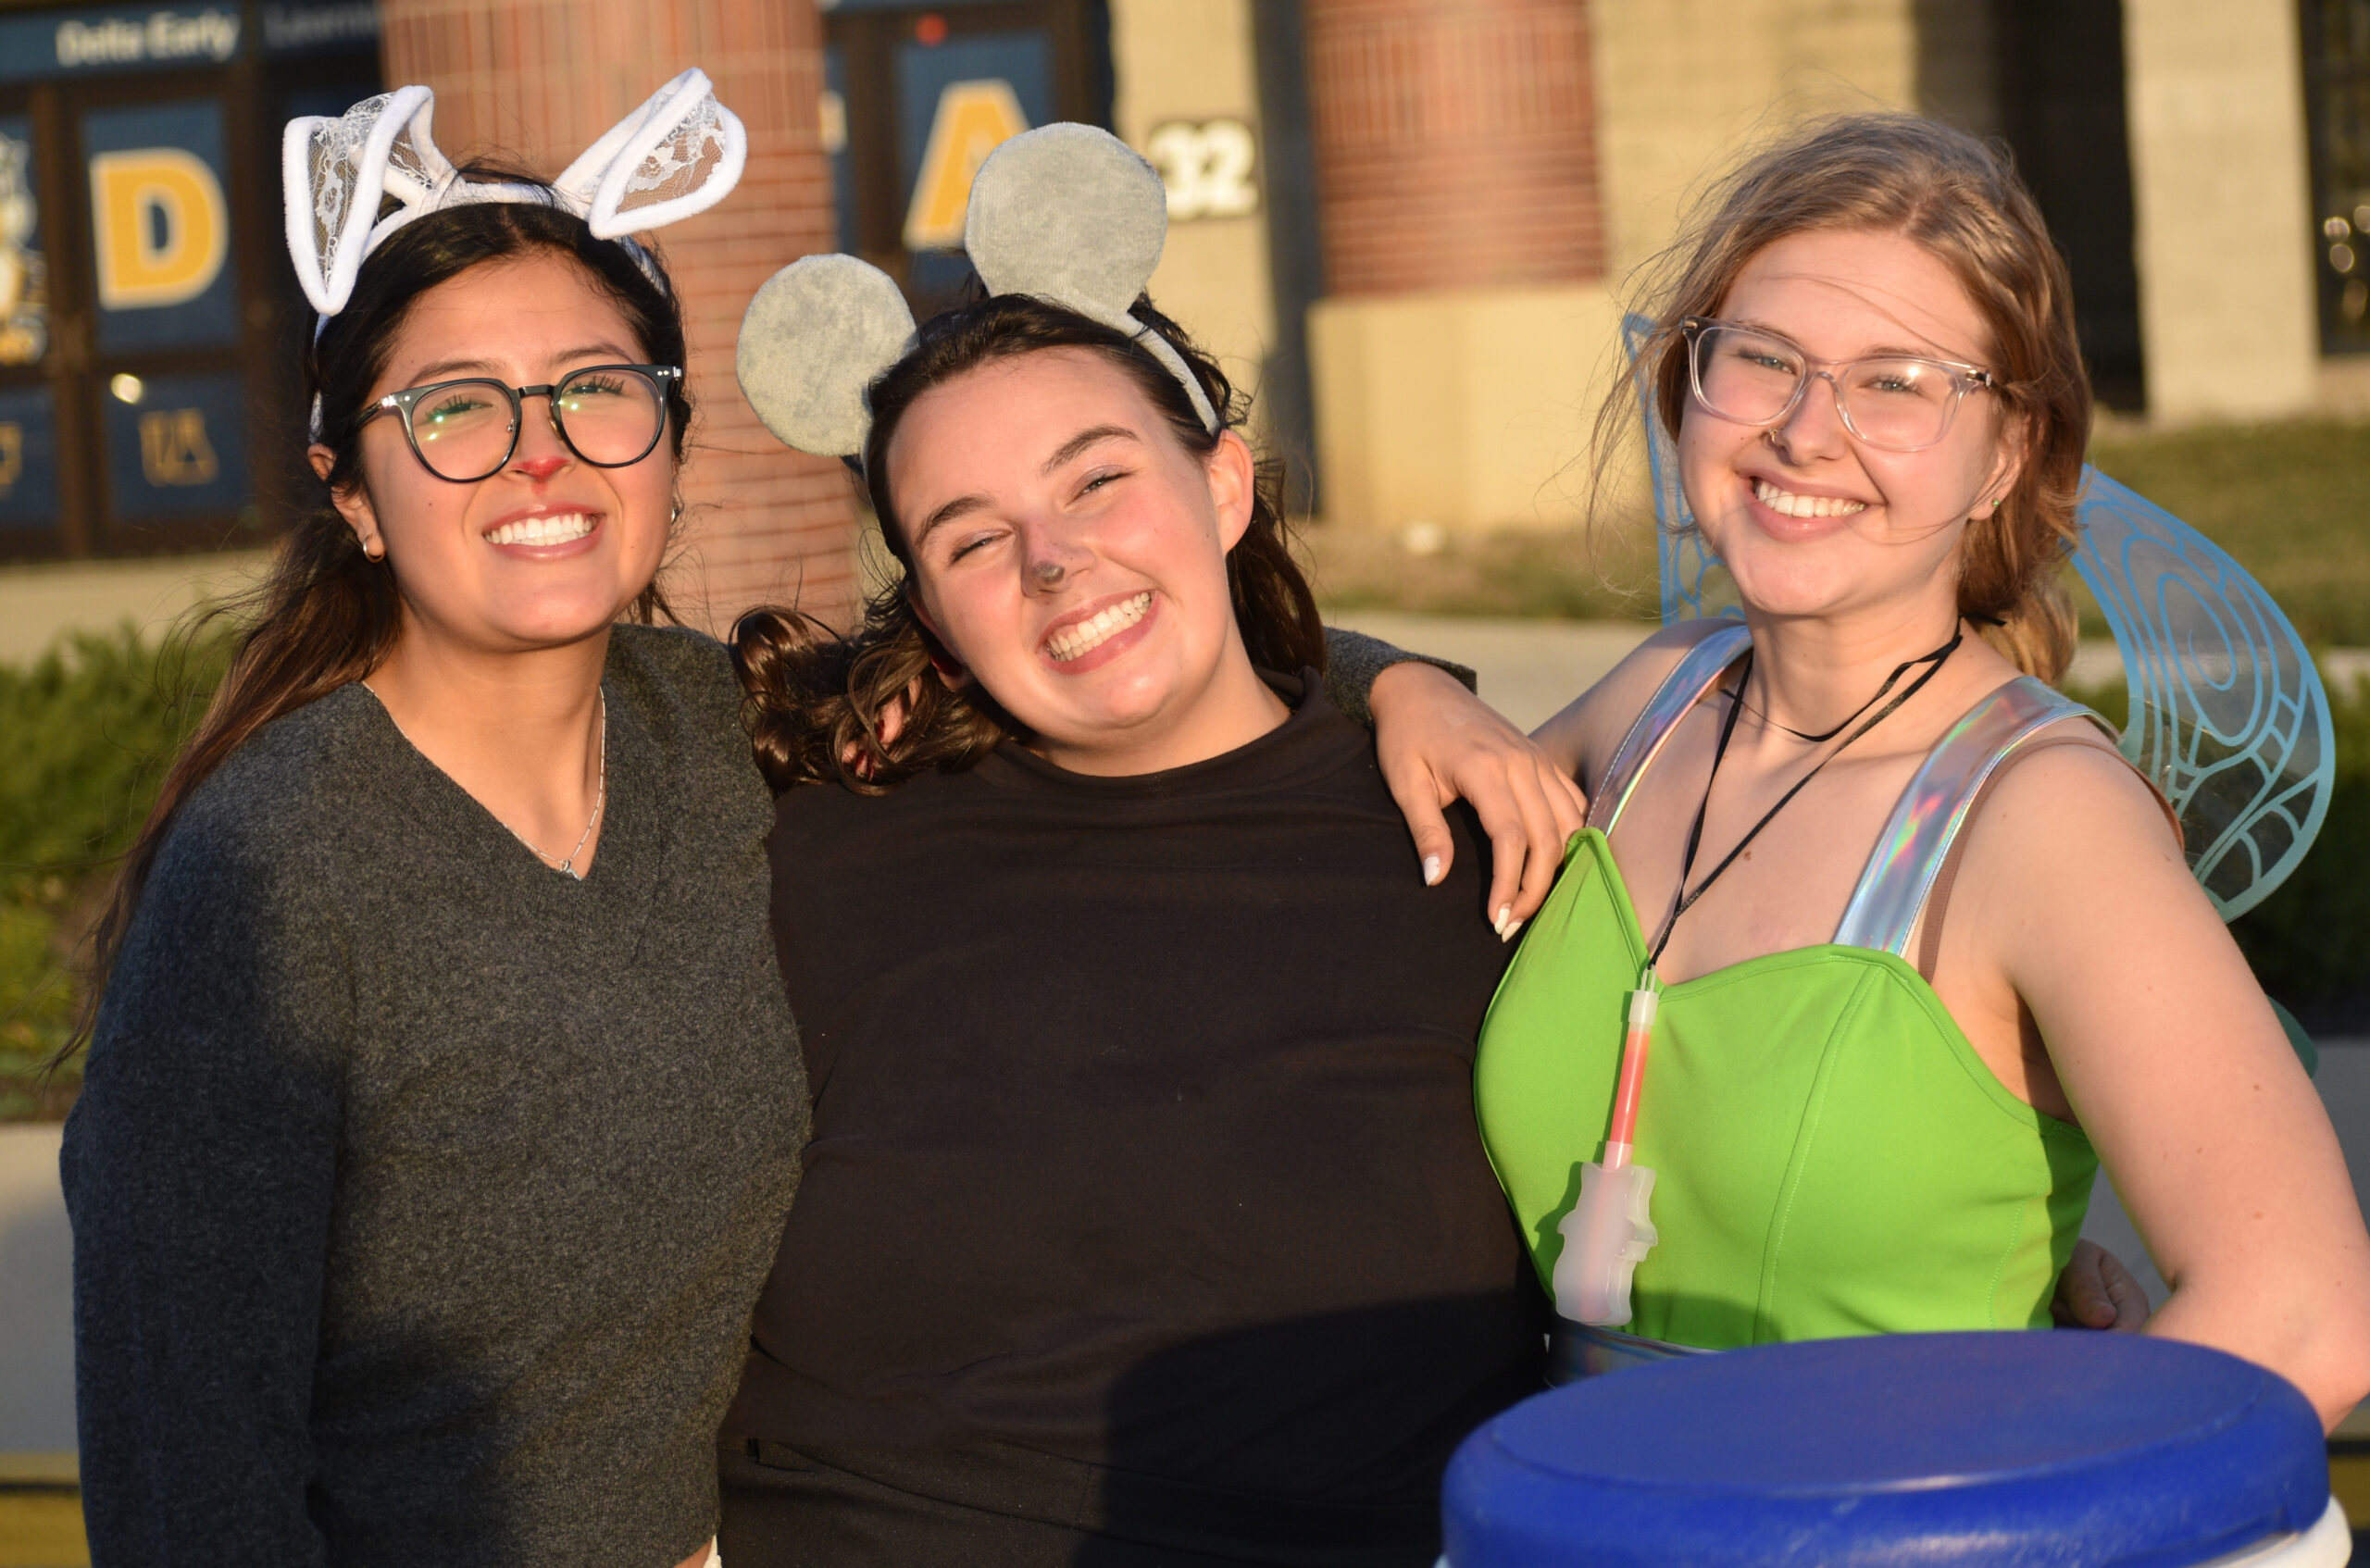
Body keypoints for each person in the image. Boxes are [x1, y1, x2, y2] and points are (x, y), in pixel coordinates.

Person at [59, 90, 1580, 1568]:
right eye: (453, 409)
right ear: (356, 496)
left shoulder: (729, 735)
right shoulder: (275, 866)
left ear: (668, 447)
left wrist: (1400, 693)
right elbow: (184, 1453)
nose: (540, 455)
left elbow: (1133, 640)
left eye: (595, 390)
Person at [1476, 114, 2370, 1425]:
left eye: (1897, 381)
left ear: (2007, 451)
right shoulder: (1650, 707)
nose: (1804, 429)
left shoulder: (2040, 821)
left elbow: (2310, 1310)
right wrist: (1391, 685)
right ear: (1688, 385)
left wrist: (1993, 1501)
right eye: (1760, 359)